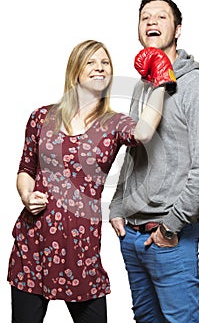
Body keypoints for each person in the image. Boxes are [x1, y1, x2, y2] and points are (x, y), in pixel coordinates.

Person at [7, 39, 176, 323]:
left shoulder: (113, 124)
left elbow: (145, 132)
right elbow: (26, 168)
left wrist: (161, 84)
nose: (100, 68)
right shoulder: (40, 118)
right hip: (33, 244)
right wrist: (26, 195)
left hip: (81, 248)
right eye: (91, 62)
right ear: (75, 71)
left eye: (105, 63)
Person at [109, 0, 199, 323]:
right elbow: (133, 155)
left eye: (161, 17)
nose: (152, 22)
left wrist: (170, 228)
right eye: (145, 18)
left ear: (178, 29)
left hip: (169, 238)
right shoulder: (142, 88)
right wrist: (117, 205)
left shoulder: (197, 87)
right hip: (131, 236)